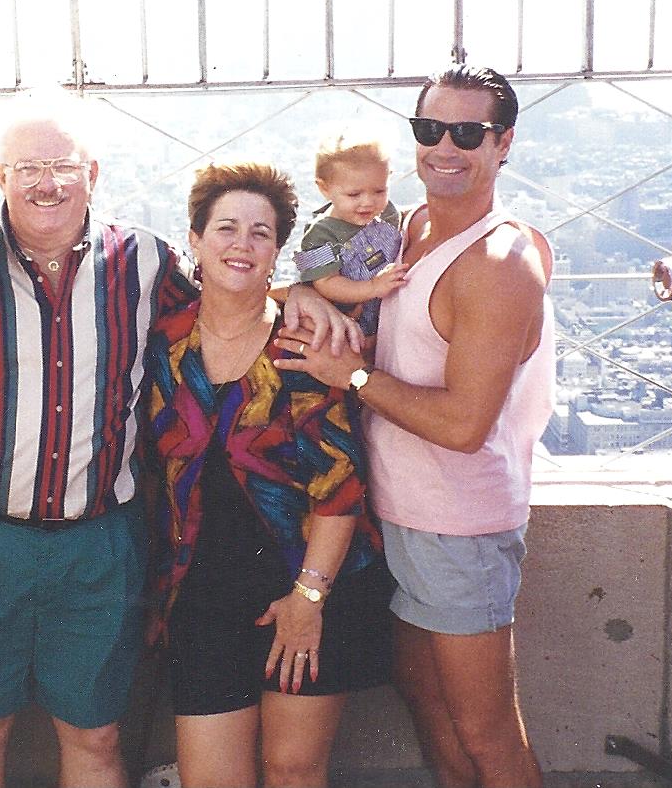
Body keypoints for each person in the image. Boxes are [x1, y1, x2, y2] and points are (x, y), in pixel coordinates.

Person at [0, 89, 360, 788]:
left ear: (92, 173)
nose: (47, 182)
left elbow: (230, 296)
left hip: (100, 540)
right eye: (28, 166)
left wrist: (299, 293)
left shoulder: (146, 260)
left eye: (62, 165)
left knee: (98, 740)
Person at [277, 64, 554, 788]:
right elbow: (342, 284)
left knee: (485, 731)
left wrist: (354, 378)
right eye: (430, 129)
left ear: (505, 144)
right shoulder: (411, 226)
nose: (444, 147)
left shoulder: (499, 263)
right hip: (396, 511)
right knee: (429, 702)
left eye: (468, 132)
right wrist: (310, 293)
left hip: (455, 523)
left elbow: (465, 424)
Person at [141, 161, 393, 788]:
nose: (242, 244)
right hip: (202, 592)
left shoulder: (307, 344)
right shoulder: (162, 338)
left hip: (312, 583)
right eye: (226, 228)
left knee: (292, 771)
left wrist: (308, 600)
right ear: (194, 240)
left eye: (261, 233)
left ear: (279, 251)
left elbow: (340, 484)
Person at [293, 126, 406, 336]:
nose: (368, 202)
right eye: (354, 194)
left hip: (391, 316)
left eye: (379, 190)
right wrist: (373, 287)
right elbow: (325, 283)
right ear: (324, 188)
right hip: (350, 324)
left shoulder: (387, 212)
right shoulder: (318, 235)